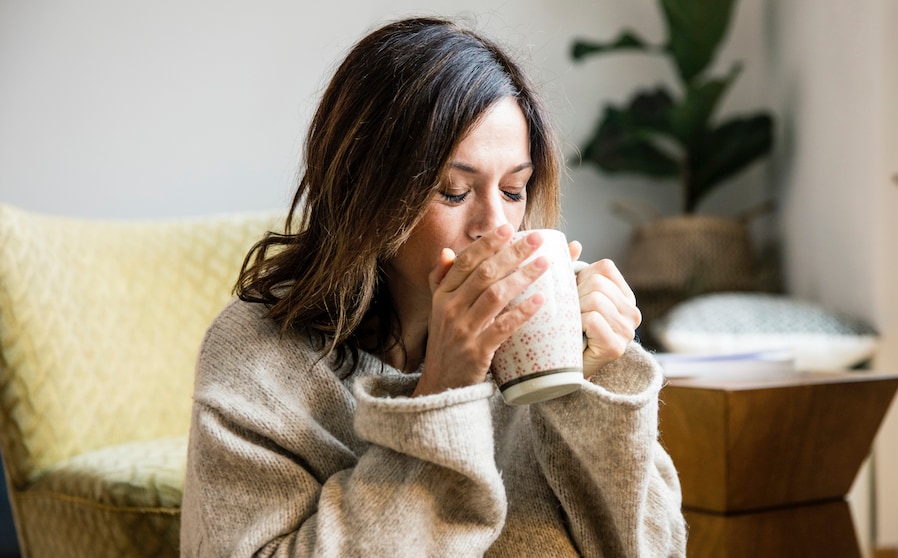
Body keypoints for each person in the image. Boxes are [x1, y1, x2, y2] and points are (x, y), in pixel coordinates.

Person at [180, 16, 686, 557]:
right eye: (452, 190)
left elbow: (651, 549)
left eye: (514, 190)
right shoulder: (259, 358)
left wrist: (594, 387)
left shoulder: (542, 338)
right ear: (365, 191)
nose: (496, 226)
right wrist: (443, 394)